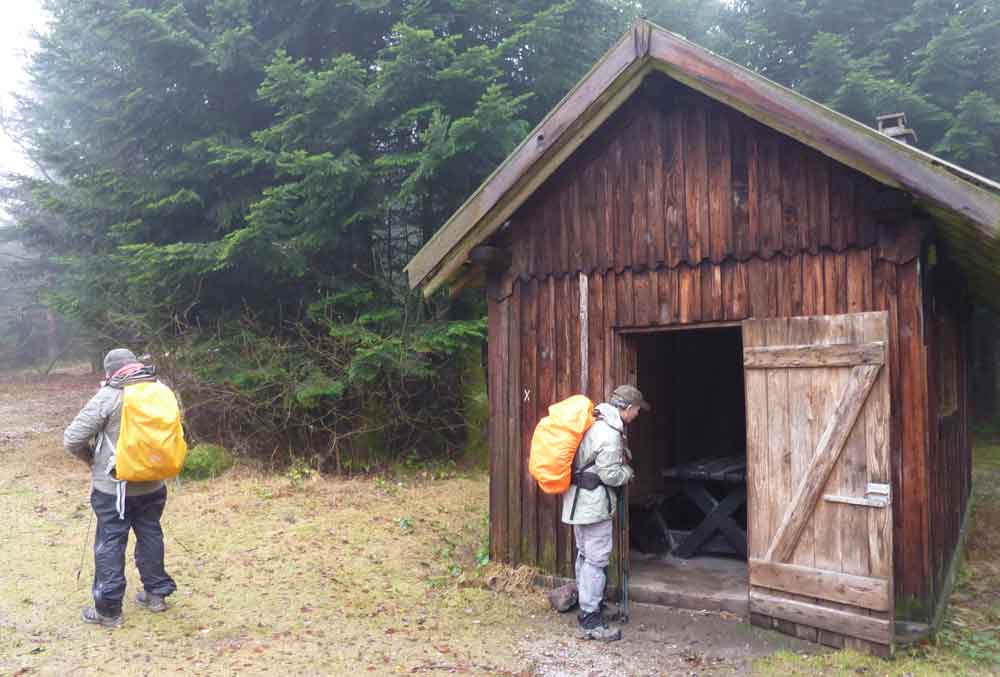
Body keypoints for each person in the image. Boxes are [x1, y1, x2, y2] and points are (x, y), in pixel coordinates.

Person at [64, 349, 177, 628]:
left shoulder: (109, 395)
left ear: (109, 371)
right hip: (154, 483)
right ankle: (156, 596)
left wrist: (91, 459)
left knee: (111, 543)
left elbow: (72, 439)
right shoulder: (162, 390)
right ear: (135, 364)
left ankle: (109, 611)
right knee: (151, 534)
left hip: (113, 489)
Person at [561, 384, 649, 641]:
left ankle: (591, 606)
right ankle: (591, 620)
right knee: (596, 559)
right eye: (636, 411)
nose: (637, 416)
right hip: (593, 505)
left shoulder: (595, 422)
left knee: (586, 555)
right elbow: (610, 474)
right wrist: (628, 473)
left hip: (579, 502)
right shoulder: (609, 434)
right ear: (628, 408)